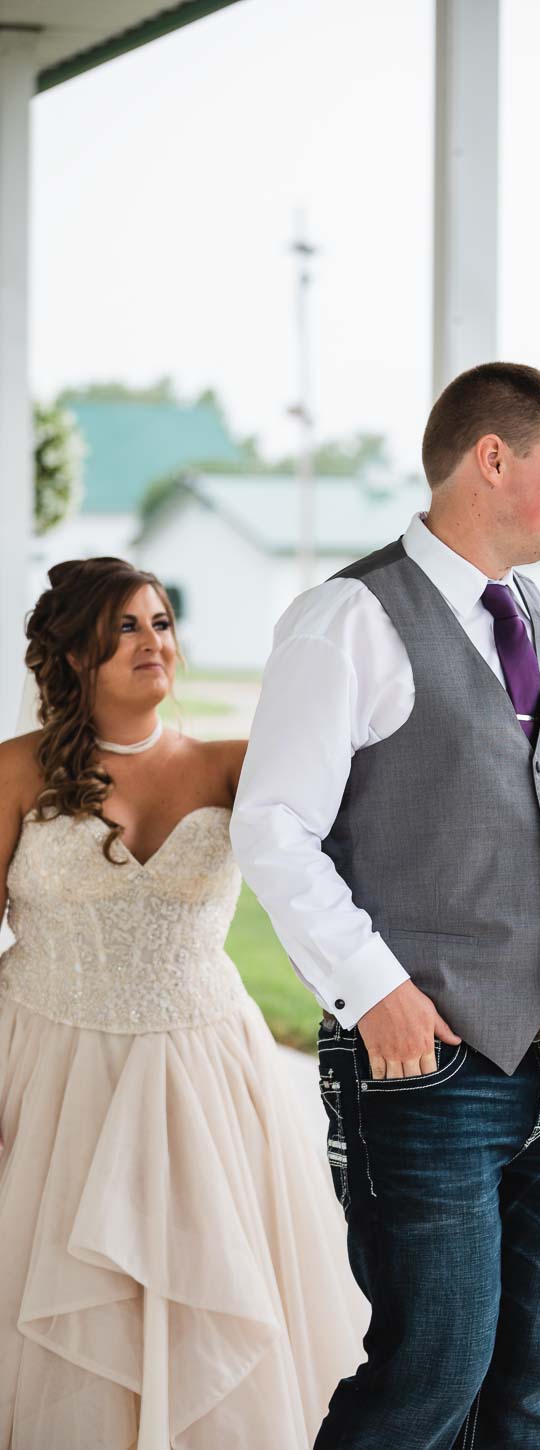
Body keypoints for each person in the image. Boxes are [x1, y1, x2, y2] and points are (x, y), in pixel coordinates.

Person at [231, 361, 540, 1449]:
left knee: (525, 1383)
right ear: (491, 459)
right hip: (428, 1068)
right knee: (429, 1377)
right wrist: (373, 991)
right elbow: (271, 827)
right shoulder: (348, 618)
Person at [0, 557, 365, 1449]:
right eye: (124, 626)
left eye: (160, 622)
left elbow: (357, 847)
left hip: (205, 1074)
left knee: (210, 1292)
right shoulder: (13, 770)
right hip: (51, 1068)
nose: (152, 642)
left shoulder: (235, 766)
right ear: (73, 653)